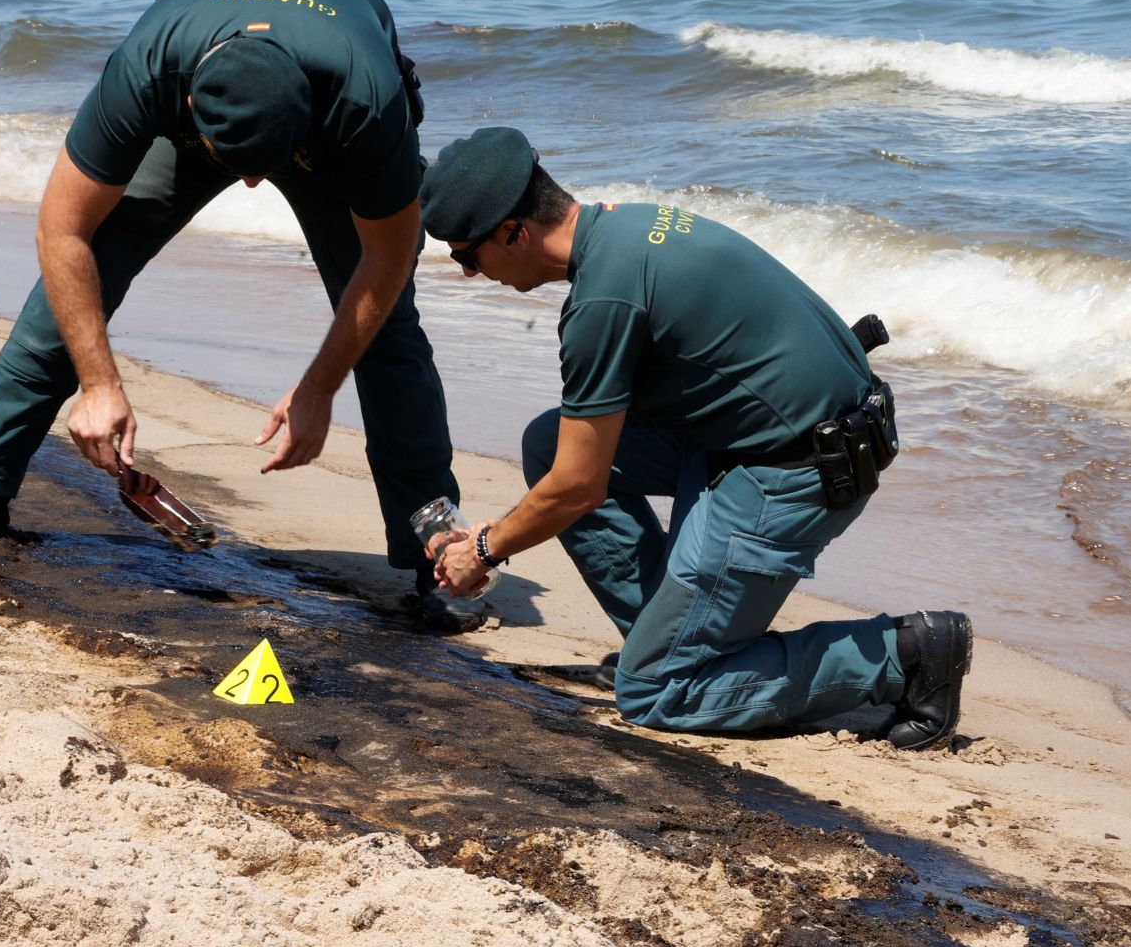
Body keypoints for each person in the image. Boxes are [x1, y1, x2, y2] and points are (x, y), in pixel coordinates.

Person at [0, 0, 480, 631]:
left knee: (390, 337)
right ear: (188, 103)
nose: (250, 187)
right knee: (88, 270)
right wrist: (99, 384)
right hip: (199, 97)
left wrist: (317, 389)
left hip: (327, 121)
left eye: (264, 171)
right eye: (235, 168)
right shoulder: (147, 68)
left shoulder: (367, 104)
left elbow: (388, 260)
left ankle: (436, 549)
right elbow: (61, 230)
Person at [416, 126, 973, 747]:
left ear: (515, 233)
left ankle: (905, 654)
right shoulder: (627, 227)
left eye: (467, 256)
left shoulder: (602, 303)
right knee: (550, 442)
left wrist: (485, 548)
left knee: (656, 694)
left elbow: (577, 488)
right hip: (763, 433)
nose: (468, 273)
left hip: (798, 469)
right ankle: (669, 638)